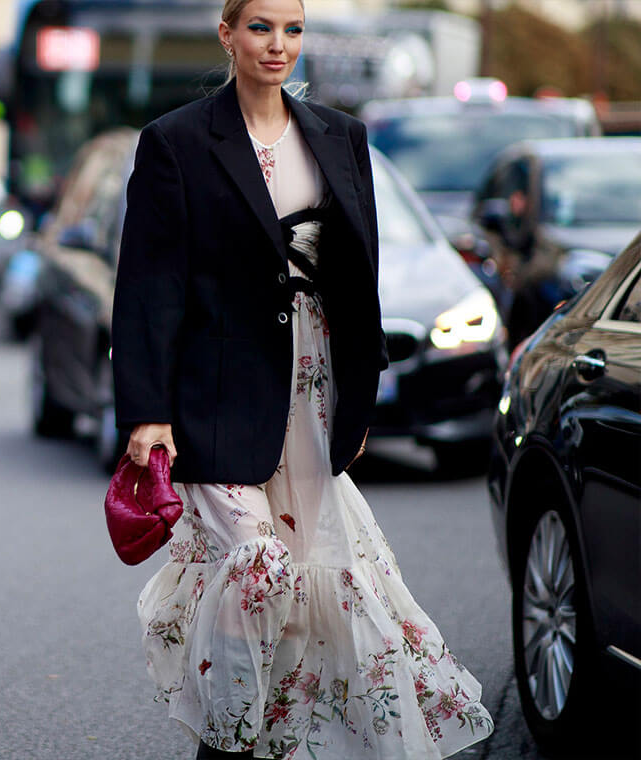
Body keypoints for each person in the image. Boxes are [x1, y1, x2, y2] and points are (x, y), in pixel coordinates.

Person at [111, 1, 494, 757]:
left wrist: (357, 399)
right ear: (227, 34)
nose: (277, 44)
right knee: (259, 567)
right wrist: (147, 411)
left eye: (292, 29)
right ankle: (224, 743)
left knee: (316, 585)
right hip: (213, 397)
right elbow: (150, 283)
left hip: (311, 387)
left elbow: (362, 274)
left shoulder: (340, 138)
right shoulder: (176, 143)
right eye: (260, 27)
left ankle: (279, 738)